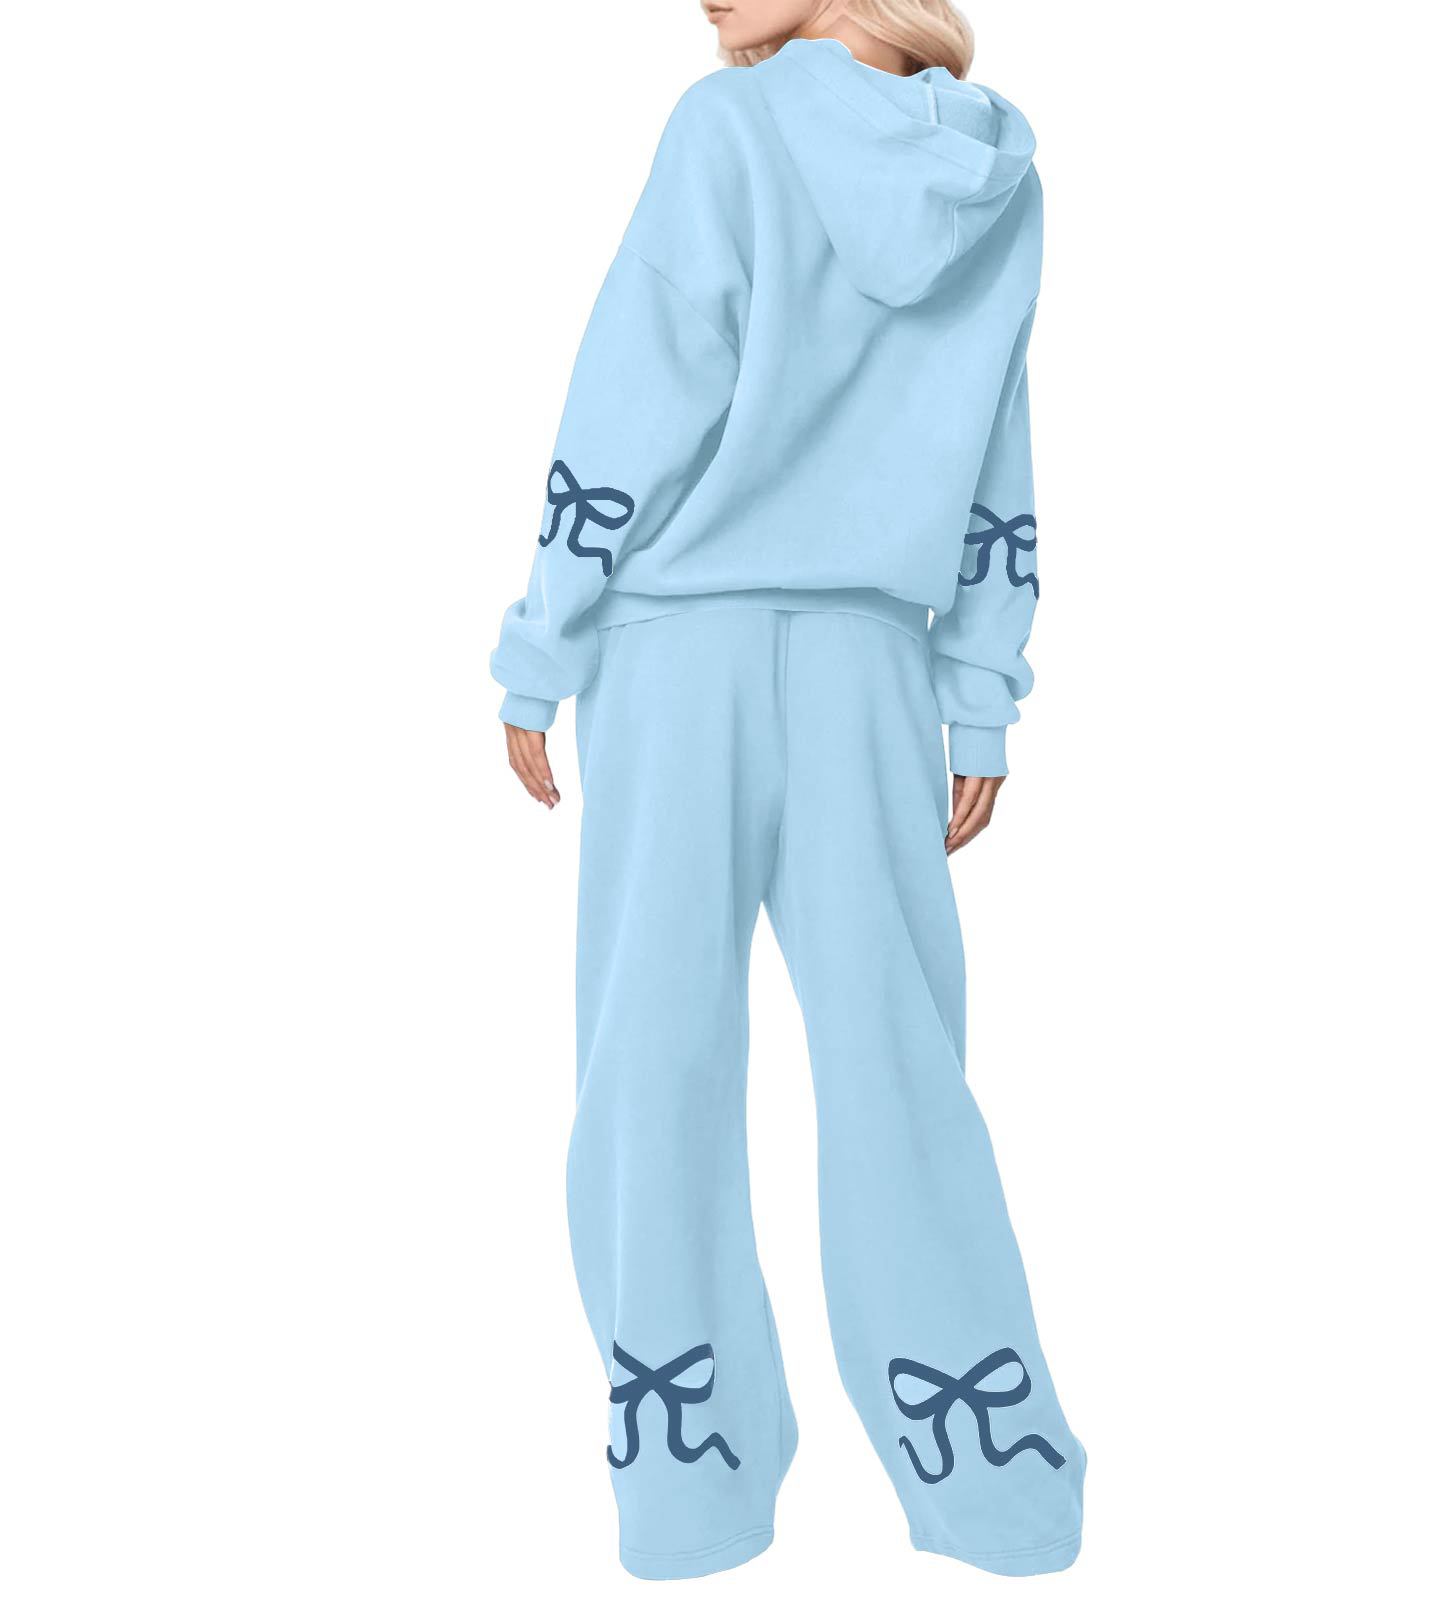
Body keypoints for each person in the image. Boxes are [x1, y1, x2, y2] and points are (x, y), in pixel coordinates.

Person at [491, 0, 1085, 1578]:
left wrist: (539, 643)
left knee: (651, 1066)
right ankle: (998, 1490)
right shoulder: (996, 176)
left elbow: (642, 389)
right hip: (872, 669)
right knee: (902, 1070)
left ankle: (688, 1489)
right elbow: (999, 453)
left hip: (674, 653)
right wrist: (978, 693)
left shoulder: (727, 130)